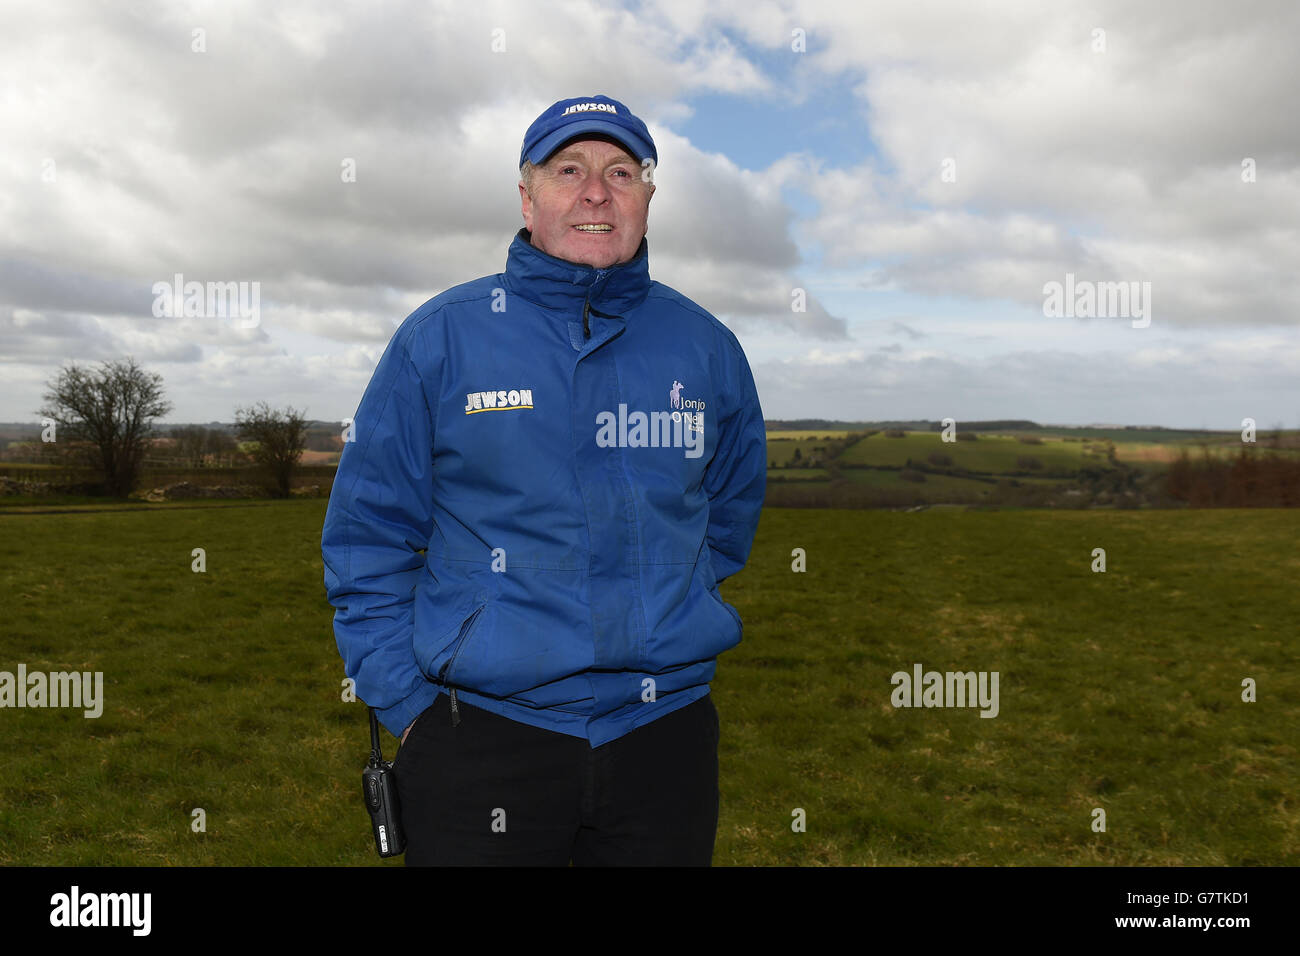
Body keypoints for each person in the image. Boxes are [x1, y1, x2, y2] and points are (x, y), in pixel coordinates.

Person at [322, 93, 766, 865]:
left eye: (621, 171)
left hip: (664, 740)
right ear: (527, 197)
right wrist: (411, 706)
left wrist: (670, 605)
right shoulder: (442, 338)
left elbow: (725, 518)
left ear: (648, 199)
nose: (596, 191)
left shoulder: (707, 347)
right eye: (569, 169)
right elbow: (368, 539)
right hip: (478, 742)